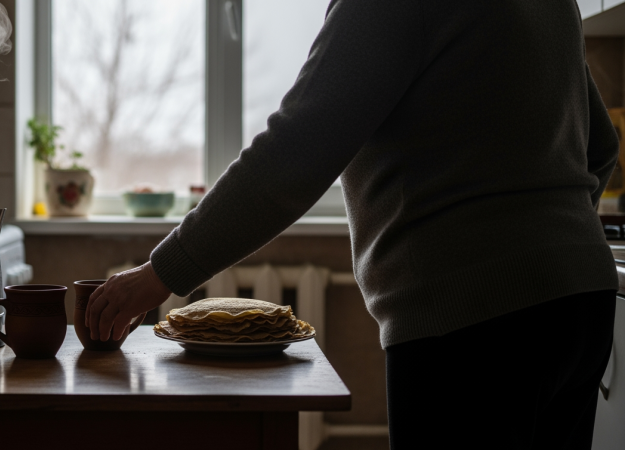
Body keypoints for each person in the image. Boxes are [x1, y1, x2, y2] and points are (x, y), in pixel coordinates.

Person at [85, 1, 620, 448]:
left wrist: (159, 275)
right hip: (582, 300)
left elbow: (295, 153)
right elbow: (601, 147)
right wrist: (550, 238)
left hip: (474, 321)